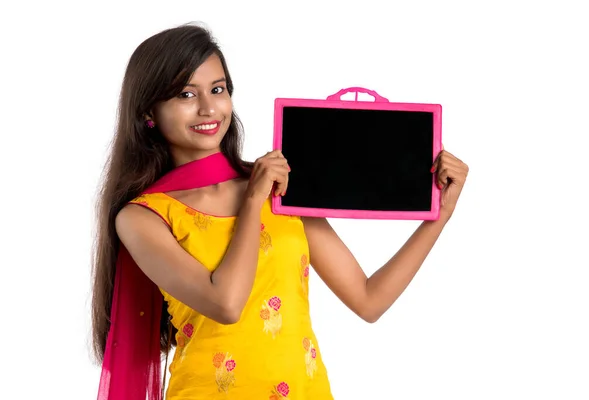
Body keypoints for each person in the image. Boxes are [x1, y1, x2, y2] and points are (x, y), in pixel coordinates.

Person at [90, 23, 469, 400]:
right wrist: (253, 202)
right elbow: (226, 304)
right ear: (148, 113)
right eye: (186, 94)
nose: (209, 108)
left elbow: (368, 300)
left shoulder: (281, 190)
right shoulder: (143, 217)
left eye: (218, 89)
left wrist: (438, 216)